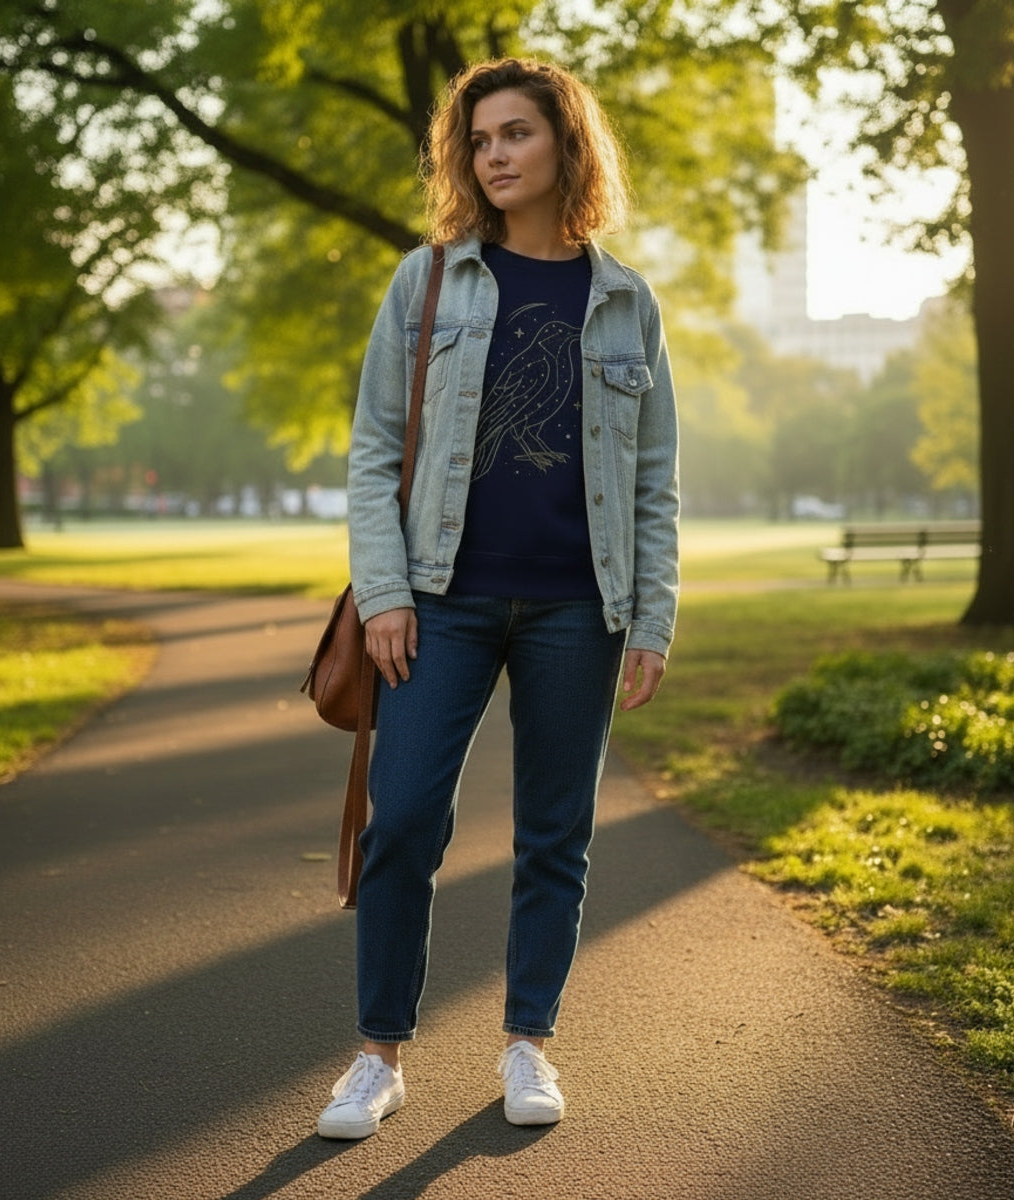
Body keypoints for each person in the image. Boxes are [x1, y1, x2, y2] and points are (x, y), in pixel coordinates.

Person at [317, 56, 680, 1140]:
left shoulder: (626, 301)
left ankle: (529, 1043)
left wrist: (652, 616)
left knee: (554, 835)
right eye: (478, 141)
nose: (494, 156)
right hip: (440, 602)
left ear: (568, 143)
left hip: (580, 608)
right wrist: (384, 593)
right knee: (402, 821)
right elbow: (374, 447)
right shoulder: (428, 281)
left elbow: (654, 479)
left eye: (515, 133)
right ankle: (378, 1057)